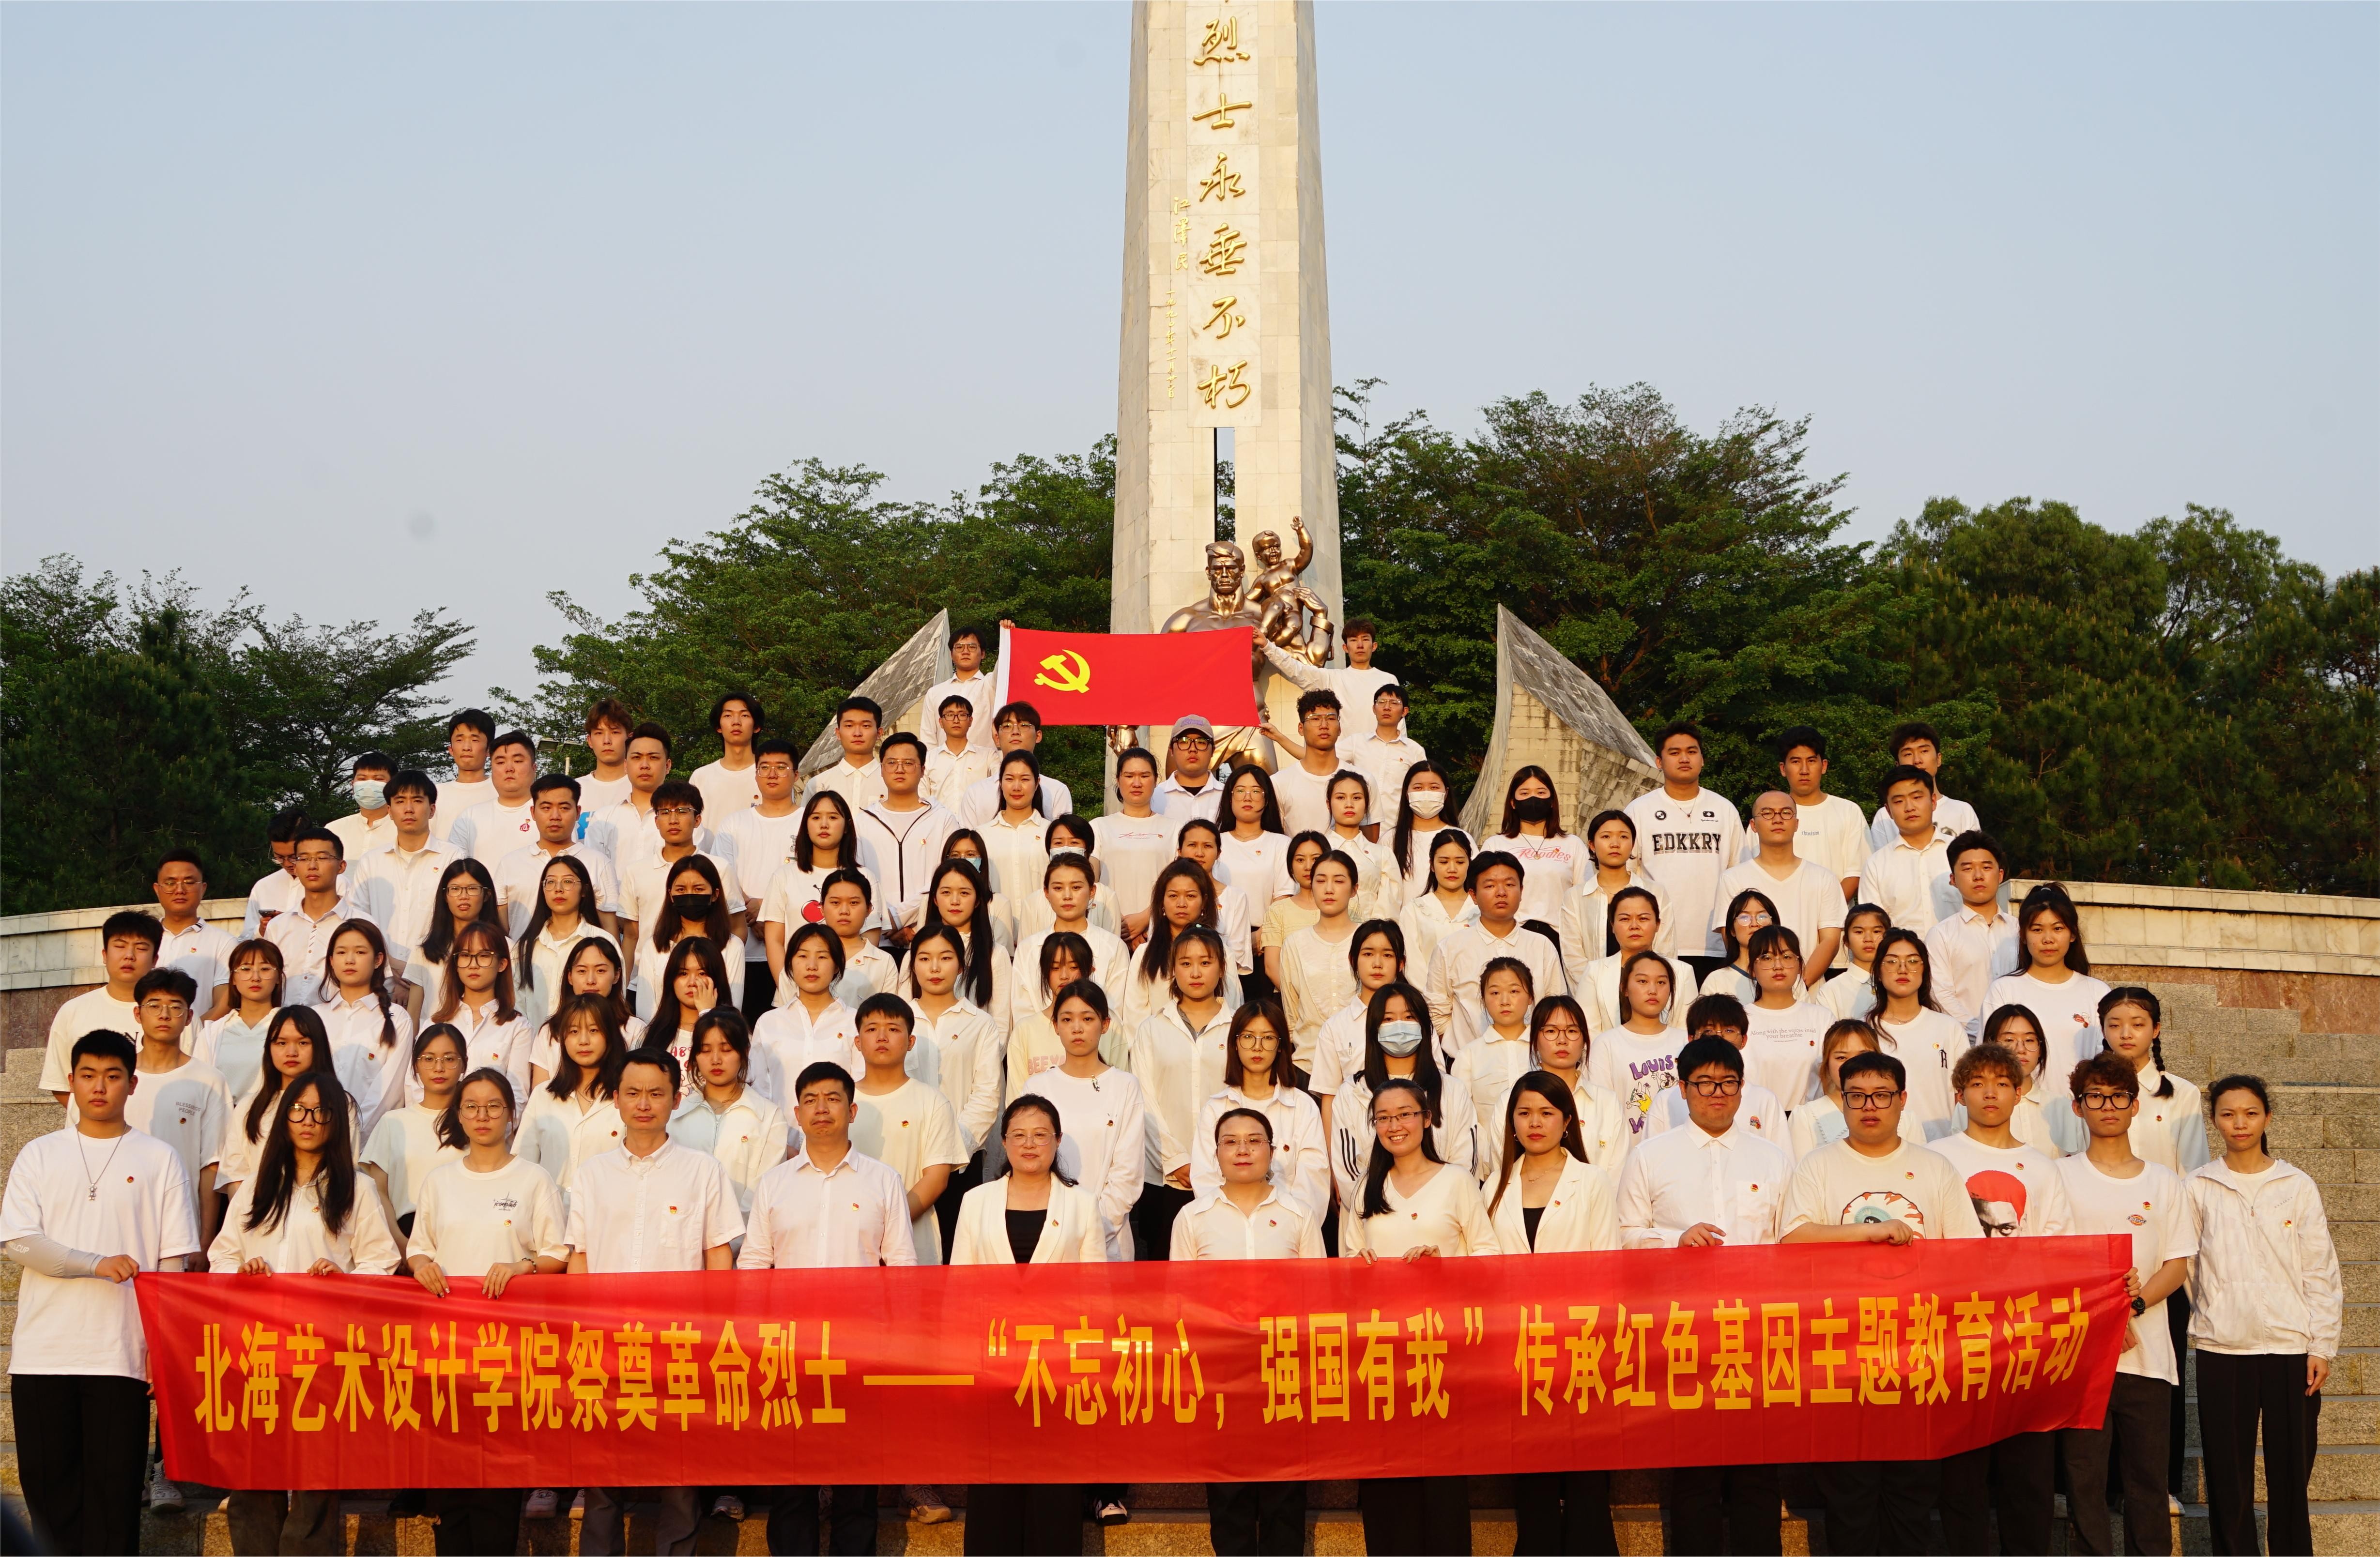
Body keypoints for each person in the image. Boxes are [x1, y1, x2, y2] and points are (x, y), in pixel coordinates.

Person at [4, 1032, 199, 1556]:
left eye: (113, 1077)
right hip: (44, 1355)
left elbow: (173, 1263)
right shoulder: (39, 1154)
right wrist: (95, 1263)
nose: (99, 1087)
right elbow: (19, 1242)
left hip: (121, 1355)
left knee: (115, 1507)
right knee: (50, 1504)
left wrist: (162, 1346)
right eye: (88, 1075)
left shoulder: (160, 1158)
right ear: (70, 1082)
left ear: (132, 1084)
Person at [1781, 1050, 1982, 1554]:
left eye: (1880, 1095)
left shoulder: (1934, 1167)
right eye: (1856, 1097)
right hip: (1841, 1352)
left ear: (1902, 1100)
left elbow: (1968, 1255)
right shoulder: (1818, 1165)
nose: (1868, 1106)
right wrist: (1867, 1234)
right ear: (1841, 1102)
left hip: (1917, 1353)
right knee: (1848, 1495)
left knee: (1911, 1493)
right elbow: (1793, 1239)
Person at [210, 1067, 400, 1556]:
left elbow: (382, 1262)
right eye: (298, 1110)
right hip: (257, 1350)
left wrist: (343, 1279)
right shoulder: (256, 1186)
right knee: (254, 1476)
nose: (309, 1120)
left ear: (335, 1121)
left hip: (323, 1351)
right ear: (284, 1118)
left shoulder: (356, 1187)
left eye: (320, 1111)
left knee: (316, 1480)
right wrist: (242, 1273)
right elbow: (221, 1257)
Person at [1615, 1036, 1790, 1557]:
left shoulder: (1772, 1159)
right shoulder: (1650, 1156)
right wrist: (1675, 1240)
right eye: (1705, 1083)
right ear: (1683, 1089)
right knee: (1695, 1476)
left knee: (1758, 1473)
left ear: (1742, 1089)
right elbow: (1623, 1236)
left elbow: (1788, 1242)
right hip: (1683, 1333)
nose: (1717, 1094)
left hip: (1756, 1334)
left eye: (1728, 1083)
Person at [566, 1049, 743, 1557]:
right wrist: (578, 1334)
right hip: (606, 1343)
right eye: (634, 1093)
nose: (644, 1104)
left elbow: (718, 1256)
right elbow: (580, 1258)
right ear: (616, 1099)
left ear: (675, 1100)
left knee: (679, 1476)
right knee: (602, 1476)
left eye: (656, 1094)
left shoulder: (702, 1171)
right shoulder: (592, 1173)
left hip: (679, 1343)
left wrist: (715, 1336)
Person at [741, 1059, 920, 1549]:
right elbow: (754, 1266)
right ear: (797, 1114)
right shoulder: (775, 1183)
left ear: (852, 1110)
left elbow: (902, 1267)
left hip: (858, 1349)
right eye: (811, 1100)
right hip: (789, 1349)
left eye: (833, 1098)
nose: (822, 1109)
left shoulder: (882, 1180)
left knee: (856, 1479)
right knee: (791, 1480)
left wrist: (897, 1344)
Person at [403, 1067, 568, 1554]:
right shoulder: (440, 1181)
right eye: (472, 1106)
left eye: (494, 1106)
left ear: (511, 1115)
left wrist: (521, 1266)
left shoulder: (533, 1179)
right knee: (449, 1478)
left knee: (499, 1475)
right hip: (447, 1348)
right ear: (458, 1115)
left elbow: (557, 1254)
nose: (483, 1115)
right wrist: (421, 1266)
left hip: (507, 1350)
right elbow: (419, 1248)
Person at [1928, 1041, 2076, 1555]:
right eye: (1977, 1084)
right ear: (1959, 1094)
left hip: (2024, 1336)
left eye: (2001, 1084)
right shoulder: (1937, 1158)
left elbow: (2058, 1251)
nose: (1989, 1093)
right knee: (1961, 1476)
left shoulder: (2042, 1167)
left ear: (2019, 1093)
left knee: (2028, 1475)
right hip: (1957, 1336)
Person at [2188, 1076, 2339, 1557]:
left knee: (2291, 1473)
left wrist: (2320, 1346)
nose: (2240, 1123)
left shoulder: (2295, 1186)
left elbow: (2319, 1269)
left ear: (2267, 1118)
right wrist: (2217, 1310)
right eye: (2228, 1114)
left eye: (2250, 1113)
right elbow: (2189, 1268)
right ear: (2214, 1121)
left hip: (2290, 1350)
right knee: (2227, 1475)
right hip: (2222, 1349)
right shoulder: (2198, 1185)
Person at [1346, 1075, 1497, 1557]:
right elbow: (1347, 1265)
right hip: (1381, 1354)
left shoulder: (1456, 1181)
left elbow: (1489, 1257)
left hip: (1442, 1352)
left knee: (1441, 1479)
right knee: (1386, 1476)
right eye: (1384, 1118)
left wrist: (1444, 1264)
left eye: (1406, 1114)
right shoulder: (1365, 1188)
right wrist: (1357, 1267)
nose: (1395, 1126)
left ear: (1427, 1119)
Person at [2055, 1052, 2193, 1557]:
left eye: (2118, 1097)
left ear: (2135, 1106)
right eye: (2095, 1097)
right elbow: (2051, 1261)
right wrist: (2100, 1318)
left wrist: (2128, 1309)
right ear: (2078, 1107)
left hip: (2147, 1357)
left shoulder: (2163, 1182)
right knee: (2084, 1482)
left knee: (2147, 1482)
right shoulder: (2058, 1176)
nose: (2107, 1106)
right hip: (2080, 1357)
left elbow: (2176, 1265)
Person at [951, 1096, 1104, 1551]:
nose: (1030, 1144)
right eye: (1018, 1135)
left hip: (1058, 1363)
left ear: (1057, 1141)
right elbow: (960, 1287)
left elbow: (1096, 1293)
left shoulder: (1081, 1204)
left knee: (1054, 1478)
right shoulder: (976, 1201)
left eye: (1040, 1135)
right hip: (993, 1361)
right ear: (1003, 1143)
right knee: (994, 1475)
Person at [1174, 1107, 1325, 1557]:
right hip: (1220, 1372)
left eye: (1254, 1140)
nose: (1243, 1150)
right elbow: (1181, 1302)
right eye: (1231, 1141)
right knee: (1228, 1493)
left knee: (1284, 1491)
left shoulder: (1298, 1214)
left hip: (1284, 1366)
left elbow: (1317, 1297)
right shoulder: (1192, 1217)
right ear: (1216, 1153)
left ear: (1272, 1151)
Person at [1328, 986, 1478, 1239]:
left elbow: (1466, 1163)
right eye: (1388, 1019)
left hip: (1442, 1227)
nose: (1400, 1026)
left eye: (1409, 1017)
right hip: (1375, 1227)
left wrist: (1429, 1215)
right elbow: (1349, 1172)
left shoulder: (1452, 1090)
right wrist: (1392, 1217)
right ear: (1374, 1029)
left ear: (1425, 1026)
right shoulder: (1352, 1093)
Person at [1126, 925, 1235, 1256]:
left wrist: (1217, 1160)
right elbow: (1145, 1100)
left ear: (1221, 968)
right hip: (1166, 1176)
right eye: (1186, 963)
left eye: (1206, 962)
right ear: (1173, 969)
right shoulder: (1151, 1029)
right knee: (1166, 1268)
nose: (1196, 972)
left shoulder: (1240, 1028)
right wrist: (1175, 1160)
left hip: (1229, 1172)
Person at [1017, 980, 1145, 1260]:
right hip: (1047, 1236)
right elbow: (1029, 1164)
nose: (1077, 1028)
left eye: (1088, 1019)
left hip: (1109, 1240)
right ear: (1055, 1026)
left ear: (1105, 1024)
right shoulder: (1037, 1087)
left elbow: (1128, 1175)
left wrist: (1091, 1230)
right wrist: (1060, 1231)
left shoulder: (1125, 1086)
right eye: (1067, 1019)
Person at [847, 993, 967, 1266]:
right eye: (872, 1029)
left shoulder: (932, 1101)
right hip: (848, 1243)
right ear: (858, 1042)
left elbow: (936, 1179)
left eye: (893, 1029)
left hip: (914, 1243)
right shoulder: (841, 1101)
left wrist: (888, 1225)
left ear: (911, 1042)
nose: (882, 1037)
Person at [907, 923, 1004, 1247]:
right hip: (904, 1156)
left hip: (961, 1161)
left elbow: (987, 1095)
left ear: (961, 966)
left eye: (946, 958)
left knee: (958, 1251)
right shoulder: (897, 1022)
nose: (935, 968)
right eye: (925, 958)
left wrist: (951, 1149)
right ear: (913, 965)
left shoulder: (980, 1024)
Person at [1624, 721, 1745, 978]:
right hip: (1658, 942)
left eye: (1692, 751)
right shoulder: (1639, 810)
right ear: (1659, 761)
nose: (1684, 759)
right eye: (1675, 752)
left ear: (1702, 759)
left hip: (1716, 943)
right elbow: (1628, 877)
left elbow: (1739, 875)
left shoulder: (1724, 809)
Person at [1190, 999, 1329, 1221]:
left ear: (1281, 1045)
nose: (1258, 1047)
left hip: (1288, 1229)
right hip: (1227, 1228)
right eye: (1248, 1037)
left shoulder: (1302, 1106)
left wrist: (1283, 1226)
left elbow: (1313, 1182)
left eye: (1268, 1038)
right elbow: (1205, 1179)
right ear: (1234, 1043)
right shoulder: (1215, 1109)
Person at [123, 969, 231, 1251]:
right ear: (137, 1014)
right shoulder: (115, 1077)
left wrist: (205, 1240)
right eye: (154, 1005)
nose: (164, 1015)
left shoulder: (209, 1080)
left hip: (180, 1228)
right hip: (116, 1220)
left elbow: (212, 1166)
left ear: (190, 1017)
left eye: (175, 1007)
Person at [1985, 884, 2112, 1112]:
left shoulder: (2097, 992)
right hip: (2019, 1113)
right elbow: (1988, 1061)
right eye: (2037, 930)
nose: (2048, 939)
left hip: (2082, 1114)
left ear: (2073, 934)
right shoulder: (2004, 990)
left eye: (2058, 929)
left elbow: (2105, 1063)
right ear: (2024, 936)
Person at [1423, 850, 1566, 1047]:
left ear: (1521, 891)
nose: (1501, 893)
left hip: (1531, 1058)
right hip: (1468, 1060)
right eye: (1490, 886)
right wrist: (1464, 1050)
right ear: (1473, 895)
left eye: (1509, 885)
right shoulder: (1450, 948)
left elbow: (1555, 1008)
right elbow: (1437, 1011)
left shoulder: (1542, 946)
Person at [668, 1008, 790, 1225]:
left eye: (726, 1050)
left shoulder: (769, 1118)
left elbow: (763, 1192)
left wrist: (731, 1237)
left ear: (744, 1052)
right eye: (705, 1050)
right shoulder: (675, 1117)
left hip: (743, 1239)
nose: (716, 1060)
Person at [715, 738, 808, 1017]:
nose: (772, 774)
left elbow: (811, 876)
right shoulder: (734, 823)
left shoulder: (810, 822)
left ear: (796, 774)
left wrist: (768, 912)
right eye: (764, 767)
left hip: (795, 948)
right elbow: (722, 875)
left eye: (781, 767)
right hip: (742, 949)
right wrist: (751, 912)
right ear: (755, 774)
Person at [349, 770, 464, 987]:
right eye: (400, 801)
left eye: (417, 801)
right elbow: (359, 921)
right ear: (390, 811)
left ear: (432, 810)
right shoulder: (371, 862)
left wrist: (415, 968)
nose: (409, 809)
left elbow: (459, 920)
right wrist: (389, 965)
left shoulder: (454, 858)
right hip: (380, 978)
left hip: (436, 976)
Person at [1492, 995, 1631, 1173]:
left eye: (1572, 1031)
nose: (1562, 1040)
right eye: (1551, 1031)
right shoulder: (1509, 1101)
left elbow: (1618, 1175)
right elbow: (1502, 1169)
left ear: (1584, 1041)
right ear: (1534, 1041)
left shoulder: (1607, 1103)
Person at [1719, 791, 1845, 984]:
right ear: (1753, 825)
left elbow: (1830, 940)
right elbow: (1731, 938)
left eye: (1786, 813)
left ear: (1797, 823)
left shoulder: (1824, 878)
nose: (1777, 819)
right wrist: (1764, 986)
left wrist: (1798, 986)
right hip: (1752, 990)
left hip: (1809, 992)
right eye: (1767, 813)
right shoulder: (1732, 879)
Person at [1310, 921, 1420, 1141]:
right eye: (1368, 954)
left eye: (1387, 955)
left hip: (1411, 1136)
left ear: (1401, 963)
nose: (1377, 964)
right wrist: (1332, 1158)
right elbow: (1329, 1098)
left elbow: (1434, 1081)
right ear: (1353, 960)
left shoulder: (1417, 1021)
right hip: (1357, 1139)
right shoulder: (1335, 1027)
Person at [758, 791, 884, 981]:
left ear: (847, 826)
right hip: (796, 987)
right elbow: (774, 941)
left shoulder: (865, 877)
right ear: (806, 826)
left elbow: (870, 940)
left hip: (852, 988)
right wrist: (788, 986)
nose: (824, 824)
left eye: (833, 817)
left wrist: (845, 986)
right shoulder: (784, 876)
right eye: (816, 818)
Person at [517, 993, 630, 1203]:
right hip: (549, 1215)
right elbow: (523, 1166)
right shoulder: (543, 1096)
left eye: (594, 1030)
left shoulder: (626, 1100)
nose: (584, 1041)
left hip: (606, 1214)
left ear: (610, 1036)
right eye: (574, 1032)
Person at [41, 908, 161, 1104]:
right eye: (120, 946)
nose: (129, 956)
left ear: (155, 959)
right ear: (105, 955)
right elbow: (60, 1084)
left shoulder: (172, 1015)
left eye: (141, 948)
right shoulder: (73, 1011)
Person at [359, 1024, 465, 1245]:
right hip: (404, 1235)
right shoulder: (393, 1122)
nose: (439, 1068)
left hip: (462, 1236)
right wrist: (400, 1242)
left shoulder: (473, 1122)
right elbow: (378, 1191)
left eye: (449, 1059)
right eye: (429, 1059)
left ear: (464, 1063)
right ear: (415, 1065)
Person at [1865, 927, 1967, 1142]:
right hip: (1882, 1146)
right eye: (1892, 962)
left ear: (1925, 970)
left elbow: (1963, 1096)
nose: (1903, 969)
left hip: (1940, 1145)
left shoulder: (1949, 1028)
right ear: (1879, 973)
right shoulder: (1865, 1031)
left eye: (1912, 961)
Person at [493, 772, 623, 937]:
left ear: (578, 812)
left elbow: (610, 930)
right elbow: (501, 931)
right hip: (523, 954)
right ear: (533, 812)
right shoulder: (510, 864)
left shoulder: (598, 863)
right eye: (546, 808)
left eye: (564, 808)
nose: (555, 816)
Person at [316, 918, 412, 1140]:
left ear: (378, 960)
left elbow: (390, 1092)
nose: (350, 960)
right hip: (316, 1134)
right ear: (331, 961)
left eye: (360, 952)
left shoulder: (396, 1019)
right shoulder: (316, 1017)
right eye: (341, 953)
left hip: (371, 1141)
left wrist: (353, 1134)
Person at [1656, 993, 1789, 1152]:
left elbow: (1782, 1157)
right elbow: (1653, 1153)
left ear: (1744, 1040)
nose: (1719, 1037)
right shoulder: (1666, 1100)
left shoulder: (1766, 1101)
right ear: (1691, 1038)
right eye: (1708, 1031)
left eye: (1729, 1030)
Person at [2099, 987, 2210, 1175]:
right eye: (2115, 1026)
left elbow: (2193, 1168)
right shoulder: (2089, 1092)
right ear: (2103, 1030)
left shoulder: (2183, 1092)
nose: (2126, 1034)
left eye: (2138, 1025)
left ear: (2156, 1029)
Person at [1451, 958, 1541, 1180]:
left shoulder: (1544, 1049)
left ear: (1531, 997)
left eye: (1514, 991)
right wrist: (1488, 1156)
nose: (1505, 1001)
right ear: (1483, 1000)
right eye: (1495, 993)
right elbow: (1463, 1117)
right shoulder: (1469, 1055)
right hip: (1487, 1170)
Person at [860, 732, 959, 932]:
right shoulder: (862, 822)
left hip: (928, 931)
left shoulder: (942, 820)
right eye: (892, 763)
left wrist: (901, 920)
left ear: (922, 770)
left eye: (908, 763)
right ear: (882, 770)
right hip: (875, 932)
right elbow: (858, 879)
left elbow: (948, 878)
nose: (900, 769)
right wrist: (884, 921)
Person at [514, 854, 624, 1035]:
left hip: (589, 1043)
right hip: (537, 1045)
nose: (558, 890)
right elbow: (517, 1006)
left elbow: (617, 1000)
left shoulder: (604, 941)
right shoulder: (525, 947)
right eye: (550, 882)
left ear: (584, 890)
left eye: (568, 882)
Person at [1588, 952, 1687, 1148]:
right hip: (1628, 1156)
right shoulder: (1607, 1044)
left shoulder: (1686, 1042)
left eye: (1661, 982)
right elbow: (1602, 1112)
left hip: (1681, 1154)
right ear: (1624, 989)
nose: (1653, 990)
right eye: (1643, 981)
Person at [429, 920, 535, 1101]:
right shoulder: (435, 1024)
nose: (473, 965)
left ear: (502, 964)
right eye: (465, 955)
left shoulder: (518, 1027)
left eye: (484, 956)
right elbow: (416, 1085)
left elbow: (517, 1096)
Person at [1924, 831, 2018, 1036]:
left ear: (2000, 875)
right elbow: (1941, 995)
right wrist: (1982, 1032)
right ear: (1953, 880)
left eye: (1987, 867)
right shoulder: (1941, 936)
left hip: (2022, 1041)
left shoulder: (2020, 930)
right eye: (1967, 869)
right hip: (1967, 1042)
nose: (1978, 876)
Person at [755, 923, 864, 1099]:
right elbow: (758, 1088)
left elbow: (861, 1087)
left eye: (822, 957)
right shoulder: (768, 1023)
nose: (812, 966)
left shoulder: (855, 1022)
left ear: (837, 965)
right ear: (790, 963)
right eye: (803, 956)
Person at [1278, 851, 1362, 1075]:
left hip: (1362, 1065)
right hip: (1308, 1065)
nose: (1329, 889)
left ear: (1354, 889)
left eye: (1339, 881)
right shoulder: (1295, 944)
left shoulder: (1368, 939)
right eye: (1321, 881)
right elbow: (1292, 1014)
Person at [264, 826, 374, 996]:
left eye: (322, 858)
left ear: (341, 866)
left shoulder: (363, 925)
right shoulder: (278, 926)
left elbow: (379, 983)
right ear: (296, 867)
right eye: (303, 859)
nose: (312, 866)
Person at [1012, 855, 1130, 1014]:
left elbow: (1115, 1012)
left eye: (1076, 887)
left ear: (1092, 891)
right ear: (1046, 892)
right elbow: (1022, 1013)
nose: (1067, 896)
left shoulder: (1114, 948)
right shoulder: (1028, 949)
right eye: (1058, 888)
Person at [1557, 810, 1669, 977]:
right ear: (1592, 845)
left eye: (1623, 837)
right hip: (1591, 988)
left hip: (1647, 988)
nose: (1615, 844)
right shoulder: (1574, 898)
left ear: (1633, 844)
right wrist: (1593, 988)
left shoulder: (1655, 892)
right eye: (1606, 837)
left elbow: (1666, 950)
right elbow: (1573, 958)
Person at [634, 854, 748, 1013]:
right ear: (671, 895)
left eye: (698, 889)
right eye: (681, 889)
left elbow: (732, 1008)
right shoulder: (654, 946)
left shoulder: (732, 946)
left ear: (715, 894)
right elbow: (646, 1010)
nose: (689, 895)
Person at [1766, 726, 1870, 900]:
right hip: (1779, 914)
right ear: (1783, 769)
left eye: (1811, 761)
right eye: (1796, 762)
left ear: (1824, 766)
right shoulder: (1768, 815)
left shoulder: (1849, 811)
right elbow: (1757, 872)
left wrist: (1827, 910)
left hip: (1837, 915)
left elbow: (1856, 874)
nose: (1804, 770)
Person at [1735, 927, 1830, 1110]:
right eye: (1767, 958)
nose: (1778, 966)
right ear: (1752, 969)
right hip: (1754, 1118)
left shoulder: (1822, 1018)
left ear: (1799, 965)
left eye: (1787, 957)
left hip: (1810, 1120)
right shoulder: (1739, 1019)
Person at [1856, 763, 1957, 934]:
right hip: (1899, 951)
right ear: (1888, 811)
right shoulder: (1876, 865)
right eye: (1899, 801)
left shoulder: (1960, 855)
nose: (1909, 807)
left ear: (1933, 802)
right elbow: (1873, 929)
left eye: (1917, 797)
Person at [1788, 1020, 1905, 1159]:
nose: (1852, 1064)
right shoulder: (1806, 1117)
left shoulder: (1906, 1119)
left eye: (1862, 1056)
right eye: (1842, 1057)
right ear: (1827, 1062)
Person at [1005, 933, 1096, 1104]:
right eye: (1055, 968)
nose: (1064, 976)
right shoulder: (1025, 1030)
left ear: (1089, 970)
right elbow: (1016, 1101)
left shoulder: (1108, 1027)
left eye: (1073, 967)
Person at [1493, 766, 1587, 929]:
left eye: (1541, 792)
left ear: (1552, 801)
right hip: (1511, 933)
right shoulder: (1496, 844)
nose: (1533, 798)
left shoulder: (1573, 844)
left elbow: (1584, 896)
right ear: (1513, 803)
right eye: (1525, 793)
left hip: (1561, 936)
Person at [644, 937, 740, 1096]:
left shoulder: (737, 1033)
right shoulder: (652, 1035)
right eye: (683, 973)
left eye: (702, 973)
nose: (692, 982)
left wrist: (707, 1015)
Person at [411, 857, 506, 1017]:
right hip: (434, 1031)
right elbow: (414, 1011)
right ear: (445, 896)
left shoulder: (505, 947)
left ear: (487, 895)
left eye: (472, 889)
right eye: (455, 889)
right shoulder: (426, 949)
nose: (463, 896)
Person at [954, 701, 1075, 826]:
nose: (1015, 732)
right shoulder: (976, 793)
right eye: (1007, 726)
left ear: (1038, 736)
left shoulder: (1057, 791)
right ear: (997, 738)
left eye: (1024, 725)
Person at [1866, 720, 1981, 850]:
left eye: (1924, 751)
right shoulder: (1885, 817)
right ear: (1897, 765)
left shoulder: (1963, 811)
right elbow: (1880, 858)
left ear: (1939, 759)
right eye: (1908, 754)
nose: (1917, 760)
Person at [194, 939, 285, 1102]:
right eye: (245, 969)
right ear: (233, 978)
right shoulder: (212, 1033)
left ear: (278, 977)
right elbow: (199, 1089)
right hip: (223, 1116)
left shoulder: (289, 1028)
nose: (255, 977)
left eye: (265, 969)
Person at [150, 849, 235, 1020]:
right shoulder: (143, 940)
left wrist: (191, 1032)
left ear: (203, 888)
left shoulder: (224, 943)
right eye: (170, 883)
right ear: (157, 889)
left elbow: (224, 1004)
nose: (180, 890)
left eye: (189, 882)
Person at [1263, 688, 1350, 838]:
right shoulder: (1279, 783)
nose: (1324, 725)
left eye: (1331, 718)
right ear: (1301, 728)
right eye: (1315, 719)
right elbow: (1274, 841)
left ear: (1340, 728)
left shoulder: (1361, 780)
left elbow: (1369, 842)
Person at [1979, 1004, 2063, 1155]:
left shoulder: (2063, 1107)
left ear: (2040, 1049)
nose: (2021, 1049)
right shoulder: (1974, 1107)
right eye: (2009, 1040)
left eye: (2029, 1040)